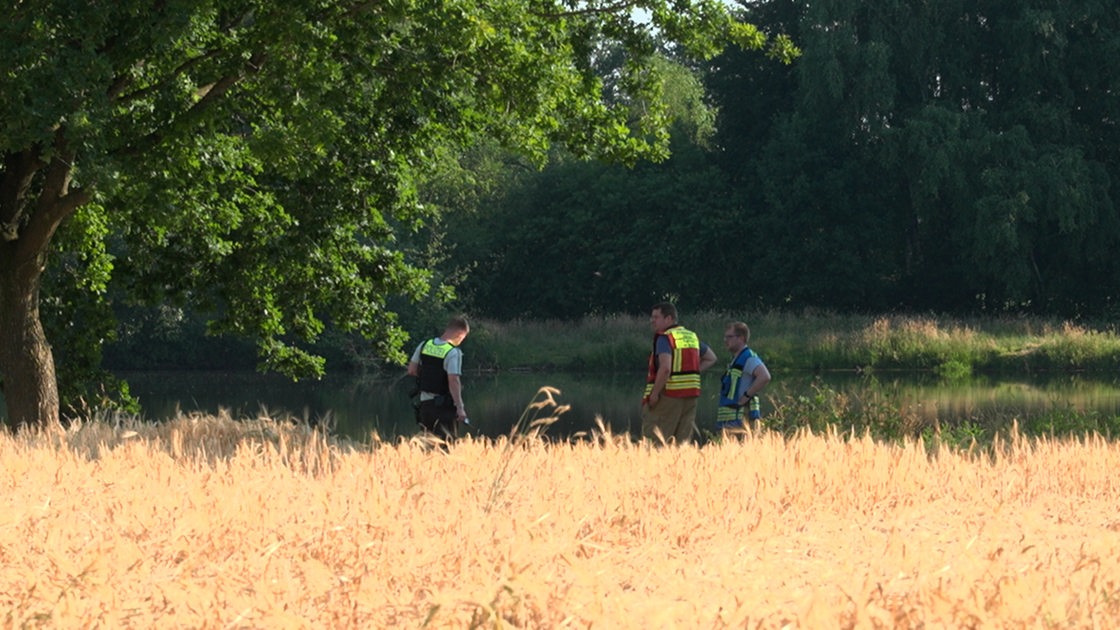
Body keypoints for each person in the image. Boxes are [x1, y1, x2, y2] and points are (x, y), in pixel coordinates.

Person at [641, 302, 718, 444]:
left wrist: (654, 394)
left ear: (668, 319)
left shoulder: (665, 338)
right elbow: (711, 358)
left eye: (656, 317)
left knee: (656, 442)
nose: (652, 321)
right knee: (681, 443)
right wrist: (691, 372)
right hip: (690, 396)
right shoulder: (691, 337)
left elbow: (665, 368)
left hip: (668, 396)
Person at [407, 315, 470, 439]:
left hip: (424, 406)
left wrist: (429, 376)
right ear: (459, 334)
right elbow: (453, 380)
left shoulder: (425, 345)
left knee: (427, 446)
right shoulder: (453, 352)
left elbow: (411, 370)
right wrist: (460, 408)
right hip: (444, 408)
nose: (461, 341)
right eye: (463, 338)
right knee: (446, 447)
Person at [717, 321, 771, 431]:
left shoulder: (748, 358)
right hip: (732, 420)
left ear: (741, 338)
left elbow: (765, 376)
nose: (725, 340)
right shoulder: (737, 359)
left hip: (742, 419)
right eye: (725, 337)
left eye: (729, 337)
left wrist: (745, 397)